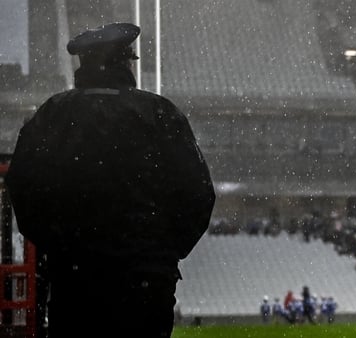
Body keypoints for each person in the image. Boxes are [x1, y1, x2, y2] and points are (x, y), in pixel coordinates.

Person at [5, 23, 215, 338]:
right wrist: (161, 253)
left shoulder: (52, 115)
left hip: (75, 281)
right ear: (126, 62)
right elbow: (197, 193)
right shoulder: (159, 113)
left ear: (83, 65)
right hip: (145, 282)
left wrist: (59, 247)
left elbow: (22, 187)